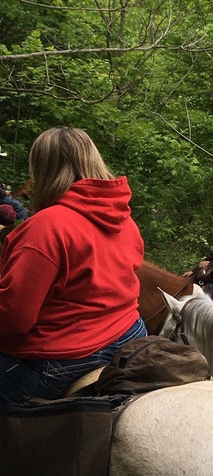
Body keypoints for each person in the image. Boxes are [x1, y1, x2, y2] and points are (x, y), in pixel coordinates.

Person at [0, 126, 146, 403]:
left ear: (42, 169)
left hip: (66, 357)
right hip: (130, 334)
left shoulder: (45, 228)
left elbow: (14, 317)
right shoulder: (123, 218)